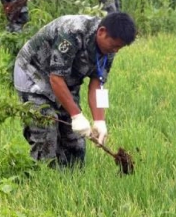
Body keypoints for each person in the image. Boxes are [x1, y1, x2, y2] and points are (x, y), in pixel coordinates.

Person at [13, 12, 137, 167]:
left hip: (66, 80)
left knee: (75, 141)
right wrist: (76, 115)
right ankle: (42, 177)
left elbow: (97, 83)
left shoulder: (109, 50)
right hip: (33, 73)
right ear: (102, 32)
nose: (116, 51)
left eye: (120, 47)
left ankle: (72, 179)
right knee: (46, 130)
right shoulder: (72, 32)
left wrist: (99, 120)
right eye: (115, 46)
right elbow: (56, 78)